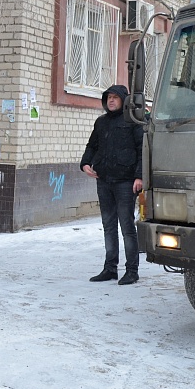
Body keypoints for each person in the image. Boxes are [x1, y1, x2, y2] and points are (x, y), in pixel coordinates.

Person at [80, 85, 144, 285]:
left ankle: (132, 271)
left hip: (125, 182)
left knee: (127, 227)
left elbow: (142, 150)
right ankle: (110, 268)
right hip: (104, 180)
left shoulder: (133, 122)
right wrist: (85, 163)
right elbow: (92, 146)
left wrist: (139, 177)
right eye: (108, 97)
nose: (111, 100)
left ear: (124, 100)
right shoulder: (101, 122)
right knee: (108, 226)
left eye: (115, 97)